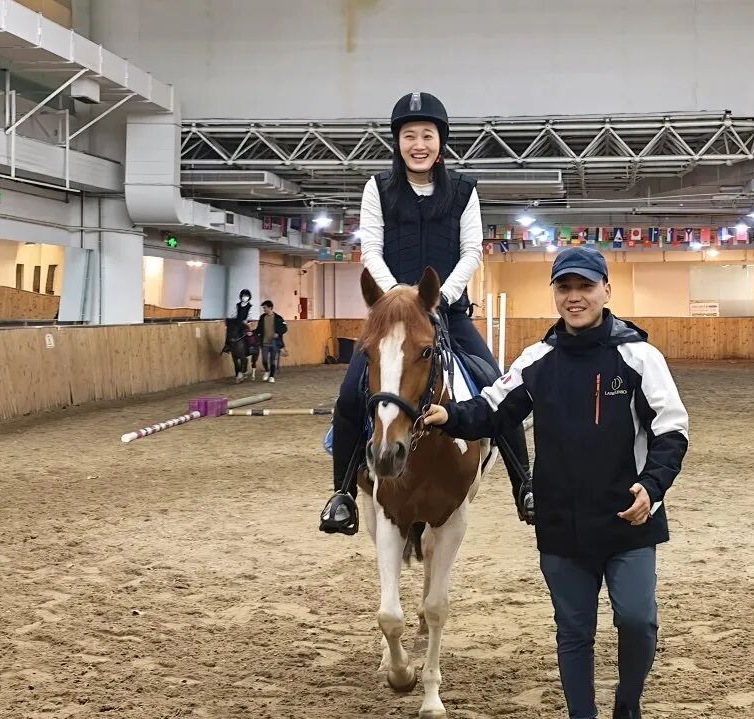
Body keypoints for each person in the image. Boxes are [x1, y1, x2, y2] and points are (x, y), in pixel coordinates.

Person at [423, 247, 689, 719]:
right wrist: (451, 416)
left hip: (629, 518)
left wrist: (653, 486)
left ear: (606, 291)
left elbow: (671, 430)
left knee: (638, 620)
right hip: (561, 522)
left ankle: (628, 704)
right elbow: (492, 409)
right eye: (565, 287)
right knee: (573, 631)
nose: (574, 297)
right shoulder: (536, 359)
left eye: (586, 286)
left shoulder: (639, 356)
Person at [318, 91, 533, 534]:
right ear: (398, 141)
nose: (419, 144)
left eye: (427, 135)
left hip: (447, 312)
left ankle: (525, 485)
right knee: (349, 394)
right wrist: (399, 296)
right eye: (410, 136)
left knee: (496, 385)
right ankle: (342, 494)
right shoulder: (377, 188)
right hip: (392, 316)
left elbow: (472, 252)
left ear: (440, 141)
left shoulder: (464, 191)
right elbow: (371, 250)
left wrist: (439, 298)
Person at [253, 300, 288, 383]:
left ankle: (271, 376)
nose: (264, 309)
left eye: (265, 308)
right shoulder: (262, 318)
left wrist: (278, 333)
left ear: (270, 307)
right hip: (264, 342)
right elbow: (259, 329)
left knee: (272, 360)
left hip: (274, 342)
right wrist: (252, 332)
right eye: (263, 308)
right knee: (264, 360)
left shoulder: (278, 318)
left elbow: (285, 328)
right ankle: (267, 371)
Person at [222, 289, 254, 353]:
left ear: (249, 297)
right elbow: (234, 314)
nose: (245, 297)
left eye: (246, 296)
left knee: (249, 334)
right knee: (229, 330)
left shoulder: (250, 306)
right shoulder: (238, 305)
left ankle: (251, 347)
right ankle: (227, 345)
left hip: (244, 323)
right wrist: (230, 319)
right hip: (237, 322)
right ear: (241, 296)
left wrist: (246, 321)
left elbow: (250, 316)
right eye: (244, 296)